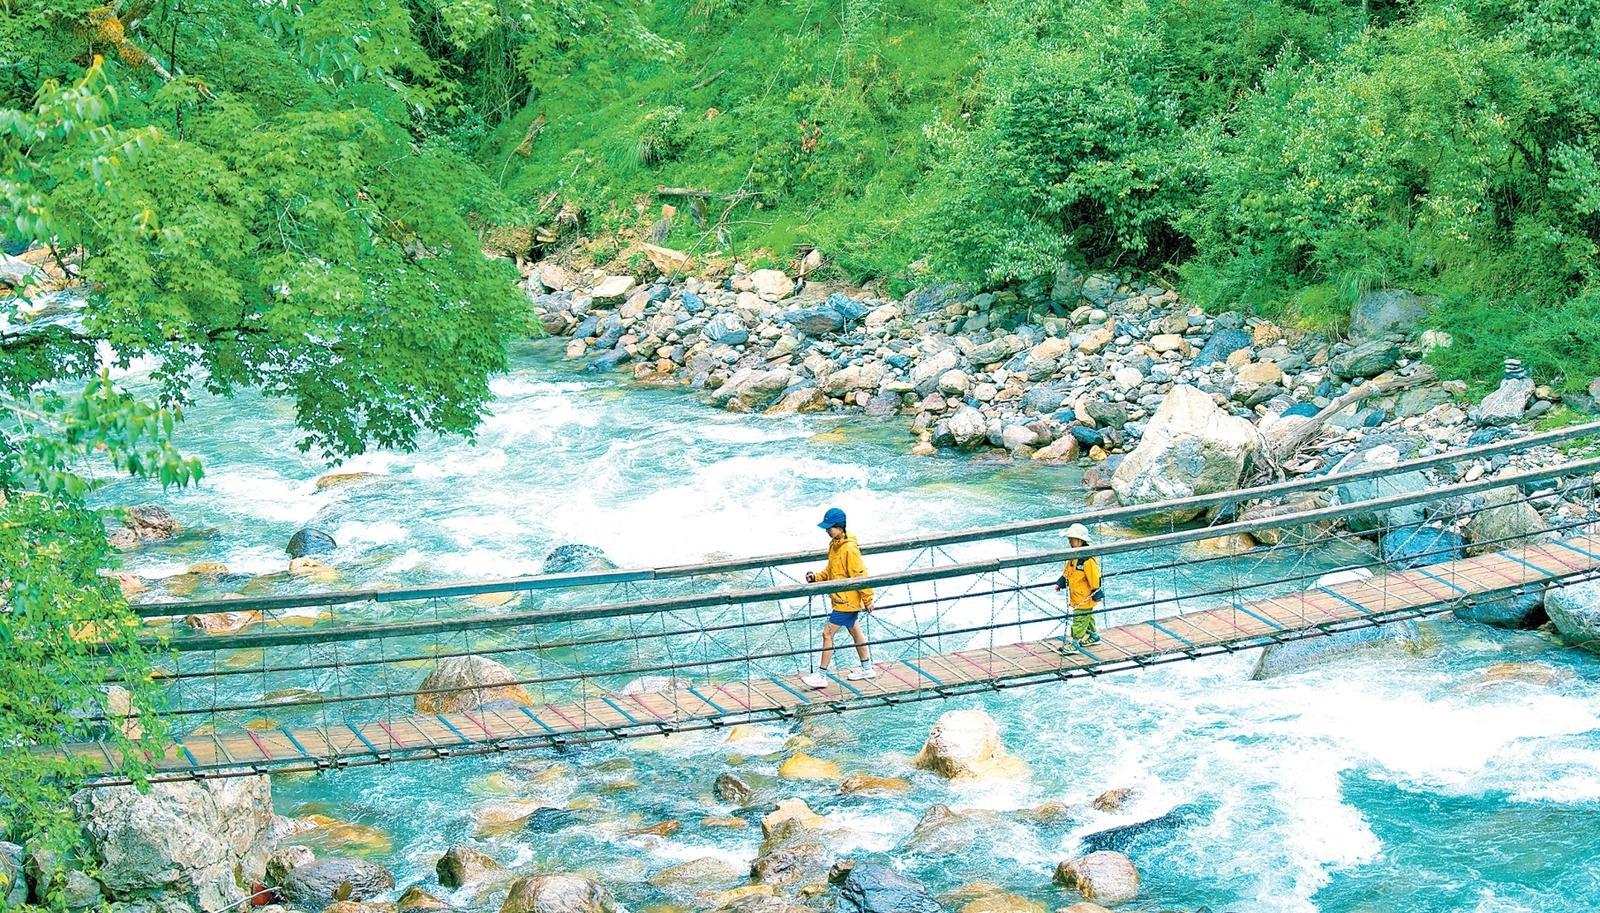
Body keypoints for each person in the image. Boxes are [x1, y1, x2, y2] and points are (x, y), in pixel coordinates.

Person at [801, 507, 876, 687]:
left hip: (846, 601)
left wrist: (868, 598)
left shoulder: (849, 549)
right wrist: (817, 577)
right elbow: (832, 570)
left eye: (830, 527)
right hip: (841, 598)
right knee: (854, 630)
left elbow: (859, 574)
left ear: (840, 527)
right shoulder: (834, 545)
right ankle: (867, 668)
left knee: (827, 633)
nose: (827, 531)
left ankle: (821, 675)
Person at [1055, 522, 1103, 650]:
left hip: (1085, 597)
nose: (1069, 542)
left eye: (1071, 540)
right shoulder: (1074, 556)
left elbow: (1094, 577)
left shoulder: (1087, 560)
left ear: (1080, 541)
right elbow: (1068, 571)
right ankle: (1094, 636)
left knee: (1079, 620)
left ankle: (1075, 643)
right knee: (1087, 617)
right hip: (1077, 595)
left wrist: (1096, 591)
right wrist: (1061, 582)